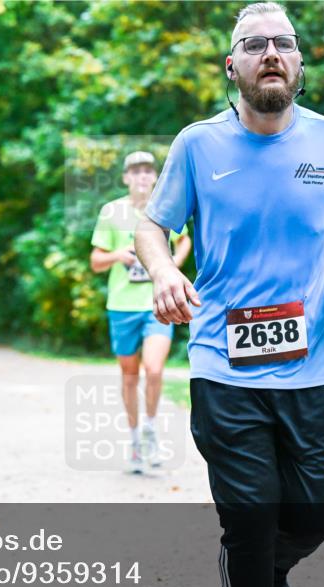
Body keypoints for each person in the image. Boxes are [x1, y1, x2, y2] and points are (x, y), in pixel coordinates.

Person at [134, 3, 324, 587]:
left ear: (299, 64)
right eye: (254, 43)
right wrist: (160, 269)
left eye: (284, 43)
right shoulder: (197, 144)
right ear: (231, 65)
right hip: (224, 363)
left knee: (312, 516)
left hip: (318, 364)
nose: (271, 52)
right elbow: (152, 226)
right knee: (248, 516)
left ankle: (262, 580)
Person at [90, 150, 192, 474]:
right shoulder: (111, 212)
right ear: (126, 178)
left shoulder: (164, 209)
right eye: (136, 172)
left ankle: (150, 429)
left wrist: (170, 266)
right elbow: (95, 261)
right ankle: (134, 439)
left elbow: (184, 241)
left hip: (156, 304)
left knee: (155, 369)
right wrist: (118, 255)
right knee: (129, 375)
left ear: (155, 177)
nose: (142, 177)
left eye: (148, 171)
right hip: (121, 305)